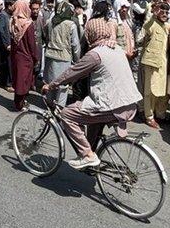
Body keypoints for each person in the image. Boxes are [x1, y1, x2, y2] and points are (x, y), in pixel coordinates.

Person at [42, 17, 142, 170]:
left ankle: (88, 156)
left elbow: (72, 72)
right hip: (130, 103)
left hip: (112, 105)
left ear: (90, 34)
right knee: (92, 119)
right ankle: (92, 154)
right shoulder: (116, 48)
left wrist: (52, 85)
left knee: (67, 114)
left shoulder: (95, 54)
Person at [43, 0, 81, 109]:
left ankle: (49, 106)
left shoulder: (50, 22)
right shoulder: (71, 25)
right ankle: (59, 108)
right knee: (63, 86)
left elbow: (46, 36)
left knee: (50, 83)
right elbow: (75, 45)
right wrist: (77, 60)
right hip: (64, 58)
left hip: (50, 56)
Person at [139, 2, 170, 129]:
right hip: (151, 62)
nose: (164, 14)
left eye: (166, 12)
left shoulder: (166, 26)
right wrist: (153, 15)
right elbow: (146, 27)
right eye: (162, 12)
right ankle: (149, 116)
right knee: (149, 91)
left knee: (160, 90)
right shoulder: (152, 23)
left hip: (163, 62)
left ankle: (159, 113)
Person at [8, 0, 41, 110]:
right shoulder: (27, 24)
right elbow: (32, 44)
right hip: (26, 57)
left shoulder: (13, 22)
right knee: (23, 81)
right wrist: (36, 57)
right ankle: (19, 105)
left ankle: (18, 102)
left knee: (18, 80)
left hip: (16, 56)